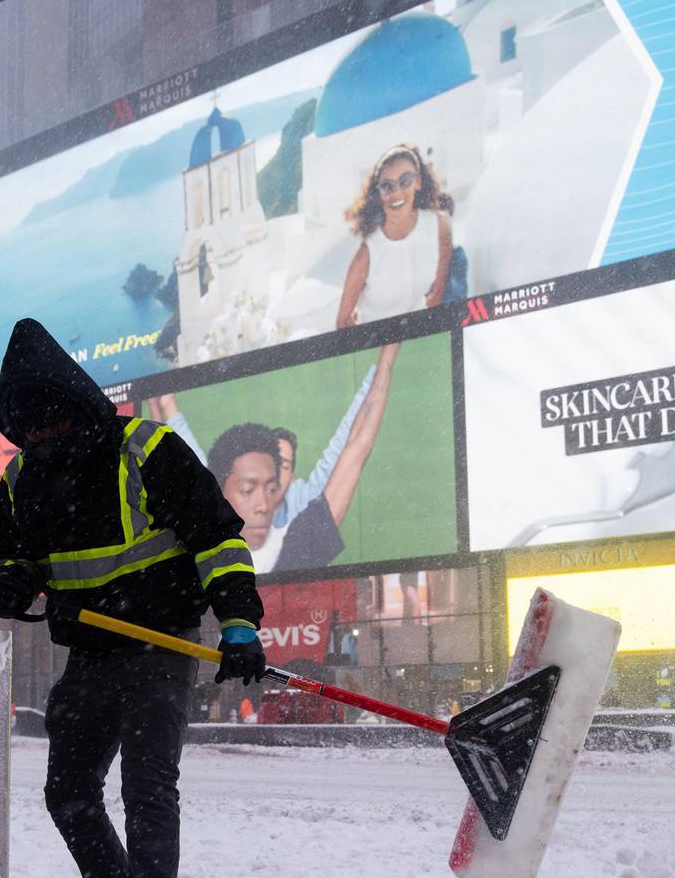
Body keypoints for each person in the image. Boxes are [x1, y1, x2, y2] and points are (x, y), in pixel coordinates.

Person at [0, 317, 267, 878]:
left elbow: (218, 538)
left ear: (76, 405)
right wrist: (9, 582)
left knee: (148, 792)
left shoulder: (147, 449)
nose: (43, 440)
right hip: (92, 650)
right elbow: (8, 556)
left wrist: (237, 621)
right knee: (68, 790)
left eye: (52, 424)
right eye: (30, 430)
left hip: (163, 643)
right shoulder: (22, 478)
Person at [207, 342, 401, 573]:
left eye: (271, 488)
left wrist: (388, 354)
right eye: (248, 490)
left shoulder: (298, 544)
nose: (263, 506)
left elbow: (356, 445)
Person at [148, 364, 376, 532]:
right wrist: (166, 404)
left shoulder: (303, 505)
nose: (271, 475)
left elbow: (346, 444)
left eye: (283, 466)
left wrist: (380, 368)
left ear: (293, 478)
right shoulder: (225, 506)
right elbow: (195, 468)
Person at [335, 145, 454, 330]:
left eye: (405, 180)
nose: (396, 192)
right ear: (378, 193)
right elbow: (342, 323)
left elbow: (437, 296)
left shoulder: (440, 226)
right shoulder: (367, 255)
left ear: (419, 181)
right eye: (387, 186)